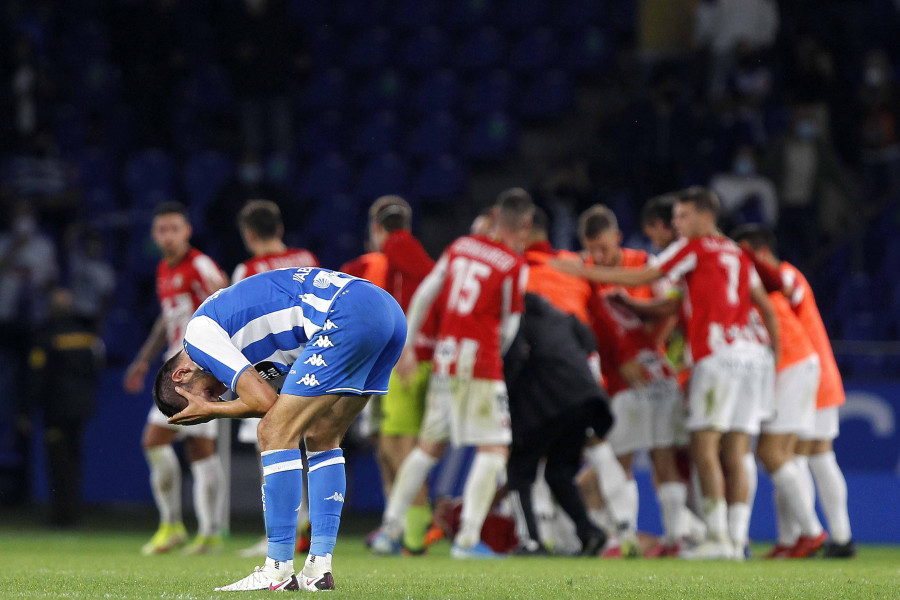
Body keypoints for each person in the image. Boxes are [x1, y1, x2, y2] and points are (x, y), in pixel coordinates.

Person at [553, 187, 780, 560]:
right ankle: (733, 541)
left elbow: (646, 278)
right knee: (735, 451)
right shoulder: (737, 252)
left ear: (705, 216)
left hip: (716, 354)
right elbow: (765, 309)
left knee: (702, 447)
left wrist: (581, 270)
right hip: (753, 356)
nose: (676, 225)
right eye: (674, 219)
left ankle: (715, 538)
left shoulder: (691, 248)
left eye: (682, 217)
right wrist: (774, 359)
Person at [153, 266, 406, 591]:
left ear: (181, 375)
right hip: (386, 312)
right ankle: (318, 570)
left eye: (205, 395)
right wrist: (215, 406)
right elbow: (272, 401)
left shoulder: (199, 336)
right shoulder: (232, 339)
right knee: (323, 433)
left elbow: (262, 402)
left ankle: (277, 569)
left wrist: (211, 410)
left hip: (347, 312)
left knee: (271, 432)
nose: (218, 395)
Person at [374, 188, 533, 558]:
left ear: (494, 217)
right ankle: (466, 540)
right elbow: (509, 325)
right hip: (479, 362)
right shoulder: (512, 265)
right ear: (524, 224)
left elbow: (426, 293)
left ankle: (389, 530)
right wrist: (496, 360)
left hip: (445, 360)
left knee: (429, 448)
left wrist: (408, 344)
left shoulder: (461, 247)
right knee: (495, 448)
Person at [733, 224, 853, 557]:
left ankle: (811, 535)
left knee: (795, 455)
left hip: (799, 365)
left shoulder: (781, 278)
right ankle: (817, 538)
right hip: (815, 365)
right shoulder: (788, 277)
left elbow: (781, 316)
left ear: (757, 253)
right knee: (811, 455)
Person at [123, 202, 228, 556]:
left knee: (154, 441)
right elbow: (165, 321)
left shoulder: (199, 264)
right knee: (201, 451)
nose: (168, 236)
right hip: (180, 365)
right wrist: (143, 360)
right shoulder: (163, 270)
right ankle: (210, 534)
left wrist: (217, 364)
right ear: (154, 236)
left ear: (187, 231)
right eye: (162, 230)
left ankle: (171, 526)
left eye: (174, 229)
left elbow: (227, 302)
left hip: (195, 368)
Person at [230, 199, 320, 558]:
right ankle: (313, 524)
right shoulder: (308, 260)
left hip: (269, 369)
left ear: (248, 234)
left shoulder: (247, 269)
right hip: (313, 361)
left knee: (270, 446)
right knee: (315, 443)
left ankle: (280, 534)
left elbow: (238, 323)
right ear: (279, 228)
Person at [504, 292, 611, 556]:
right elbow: (590, 342)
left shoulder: (518, 324)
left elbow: (514, 361)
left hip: (549, 403)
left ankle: (530, 541)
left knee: (518, 472)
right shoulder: (565, 318)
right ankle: (589, 532)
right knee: (559, 472)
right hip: (587, 401)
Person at [366, 196, 438, 555]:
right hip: (396, 360)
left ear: (378, 228)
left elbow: (433, 280)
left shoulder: (398, 245)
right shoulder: (393, 261)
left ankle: (413, 534)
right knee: (389, 448)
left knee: (404, 448)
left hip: (406, 361)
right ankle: (398, 526)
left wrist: (408, 344)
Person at [25, 288, 104, 526]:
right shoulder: (87, 337)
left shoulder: (46, 336)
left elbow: (37, 376)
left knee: (57, 459)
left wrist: (26, 409)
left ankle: (61, 513)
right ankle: (73, 510)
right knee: (75, 457)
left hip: (56, 408)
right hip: (81, 409)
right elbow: (96, 370)